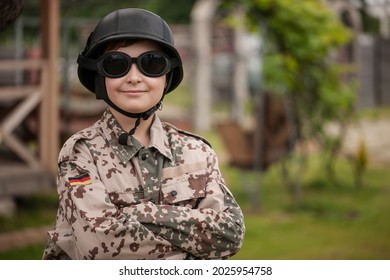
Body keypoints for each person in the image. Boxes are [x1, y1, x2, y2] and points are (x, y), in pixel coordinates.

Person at [43, 8, 245, 260]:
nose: (134, 78)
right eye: (117, 64)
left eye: (152, 63)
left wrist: (136, 215)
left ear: (167, 76)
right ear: (99, 76)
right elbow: (103, 248)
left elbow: (228, 235)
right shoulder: (81, 153)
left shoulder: (197, 152)